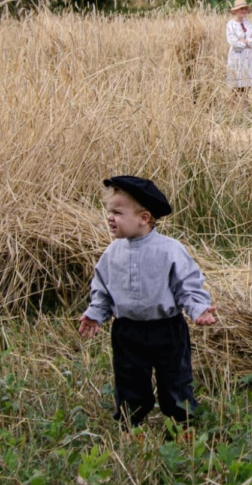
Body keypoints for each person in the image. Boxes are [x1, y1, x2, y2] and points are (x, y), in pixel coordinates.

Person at [79, 176, 219, 429]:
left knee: (175, 381)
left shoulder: (170, 250)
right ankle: (131, 427)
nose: (110, 218)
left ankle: (184, 425)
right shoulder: (111, 254)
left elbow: (187, 285)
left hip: (167, 330)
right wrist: (95, 314)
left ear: (144, 218)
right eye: (109, 212)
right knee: (129, 381)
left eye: (117, 213)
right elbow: (102, 290)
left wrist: (198, 309)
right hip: (127, 332)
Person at [225, 0, 252, 109]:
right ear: (236, 11)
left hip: (248, 57)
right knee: (236, 85)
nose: (243, 11)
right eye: (241, 9)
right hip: (236, 57)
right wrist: (246, 42)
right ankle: (232, 109)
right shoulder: (231, 24)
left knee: (246, 85)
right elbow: (233, 41)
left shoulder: (249, 23)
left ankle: (244, 108)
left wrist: (245, 41)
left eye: (245, 9)